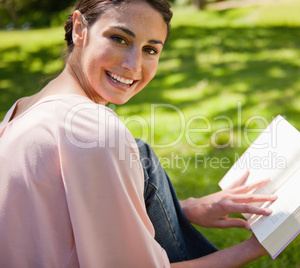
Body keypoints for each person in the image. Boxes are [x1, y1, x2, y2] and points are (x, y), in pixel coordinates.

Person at [0, 0, 278, 266]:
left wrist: (185, 208)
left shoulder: (20, 111)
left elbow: (65, 214)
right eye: (119, 39)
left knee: (139, 150)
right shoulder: (92, 129)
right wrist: (258, 246)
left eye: (150, 50)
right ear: (79, 28)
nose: (134, 65)